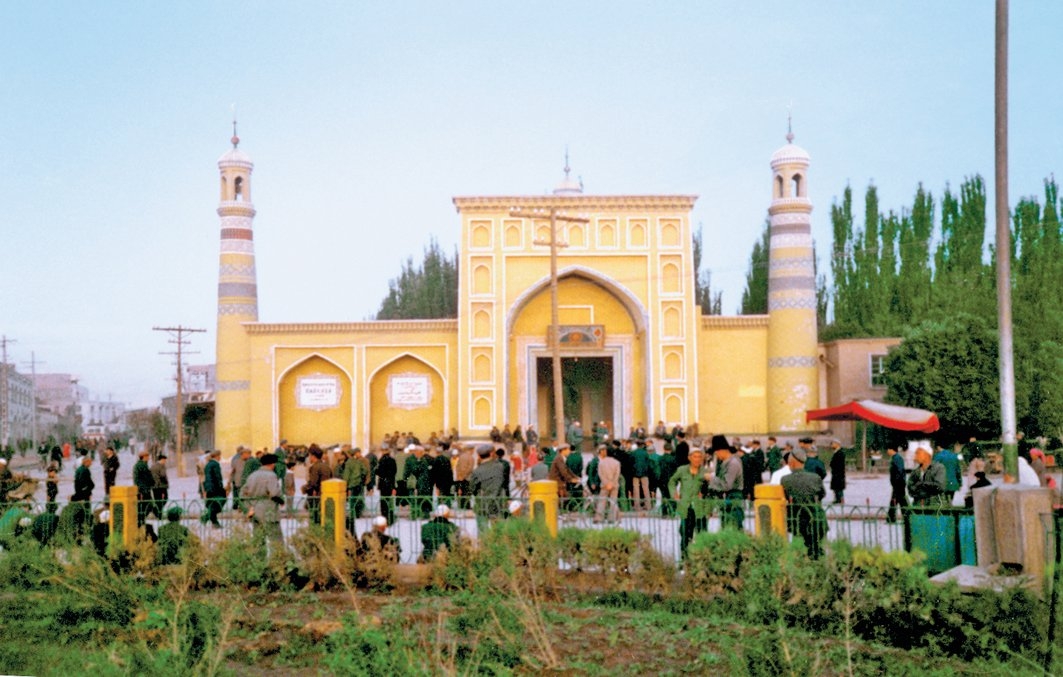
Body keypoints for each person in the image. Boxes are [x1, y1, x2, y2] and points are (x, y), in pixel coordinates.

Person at [781, 446, 829, 559]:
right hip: (817, 520)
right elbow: (822, 494)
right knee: (818, 552)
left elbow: (785, 497)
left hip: (797, 523)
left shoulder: (785, 480)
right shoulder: (815, 478)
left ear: (791, 463)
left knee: (800, 553)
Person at [669, 448, 711, 557]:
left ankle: (702, 559)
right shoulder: (682, 470)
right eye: (695, 457)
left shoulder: (705, 472)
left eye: (700, 457)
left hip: (700, 509)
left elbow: (711, 490)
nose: (697, 459)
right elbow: (672, 482)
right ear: (689, 458)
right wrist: (674, 494)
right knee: (685, 535)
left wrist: (708, 508)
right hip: (686, 508)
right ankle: (684, 559)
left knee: (702, 535)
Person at [242, 453, 285, 548]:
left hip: (255, 511)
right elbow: (274, 493)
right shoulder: (271, 475)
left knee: (258, 540)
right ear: (272, 464)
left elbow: (243, 493)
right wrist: (281, 500)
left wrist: (248, 507)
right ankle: (278, 560)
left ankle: (259, 560)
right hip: (269, 510)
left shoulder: (252, 475)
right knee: (276, 540)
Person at [706, 435, 744, 531]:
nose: (717, 456)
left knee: (733, 529)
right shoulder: (725, 462)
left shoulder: (733, 463)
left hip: (734, 500)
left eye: (716, 453)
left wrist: (711, 478)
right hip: (727, 500)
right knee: (726, 528)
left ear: (721, 450)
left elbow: (726, 485)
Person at [468, 444, 507, 530]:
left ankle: (484, 542)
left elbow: (472, 489)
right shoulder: (500, 467)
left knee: (483, 530)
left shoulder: (477, 471)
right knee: (498, 530)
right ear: (491, 453)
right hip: (497, 503)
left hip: (482, 504)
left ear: (479, 456)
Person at [305, 445, 333, 524]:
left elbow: (313, 483)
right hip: (326, 497)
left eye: (310, 456)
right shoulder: (327, 467)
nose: (309, 458)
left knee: (315, 520)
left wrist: (304, 489)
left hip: (316, 498)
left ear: (313, 456)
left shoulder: (315, 467)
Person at [594, 445, 621, 524]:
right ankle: (611, 518)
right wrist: (612, 483)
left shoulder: (601, 462)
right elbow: (617, 475)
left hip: (604, 485)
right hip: (614, 485)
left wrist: (606, 483)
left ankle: (599, 518)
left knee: (602, 501)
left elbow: (600, 474)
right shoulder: (617, 463)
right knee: (613, 501)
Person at [200, 450, 225, 528]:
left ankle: (214, 522)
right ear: (217, 456)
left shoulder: (208, 464)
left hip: (209, 488)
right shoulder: (215, 464)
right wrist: (221, 487)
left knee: (212, 505)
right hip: (215, 488)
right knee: (217, 503)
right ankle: (206, 517)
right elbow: (217, 477)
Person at [375, 446, 397, 525]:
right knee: (389, 502)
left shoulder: (381, 460)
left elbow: (377, 471)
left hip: (383, 484)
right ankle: (390, 519)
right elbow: (394, 473)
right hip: (390, 483)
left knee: (383, 503)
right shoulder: (392, 460)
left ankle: (384, 519)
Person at [886, 446, 908, 524]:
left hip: (898, 484)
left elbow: (899, 471)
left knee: (899, 501)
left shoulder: (897, 458)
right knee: (899, 501)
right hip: (898, 484)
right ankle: (893, 517)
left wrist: (896, 482)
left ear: (891, 450)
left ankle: (892, 517)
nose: (887, 451)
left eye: (888, 449)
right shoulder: (895, 458)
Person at [132, 450, 155, 525]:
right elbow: (146, 477)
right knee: (147, 505)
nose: (149, 458)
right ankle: (140, 520)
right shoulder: (142, 465)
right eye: (147, 456)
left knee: (144, 506)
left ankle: (140, 520)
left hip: (142, 488)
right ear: (143, 457)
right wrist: (151, 482)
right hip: (143, 489)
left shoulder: (140, 465)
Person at [828, 440, 847, 505]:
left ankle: (840, 500)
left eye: (833, 444)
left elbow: (839, 463)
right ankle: (837, 499)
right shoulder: (836, 452)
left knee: (839, 487)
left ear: (837, 444)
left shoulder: (840, 452)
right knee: (836, 487)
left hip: (839, 473)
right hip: (836, 472)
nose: (831, 445)